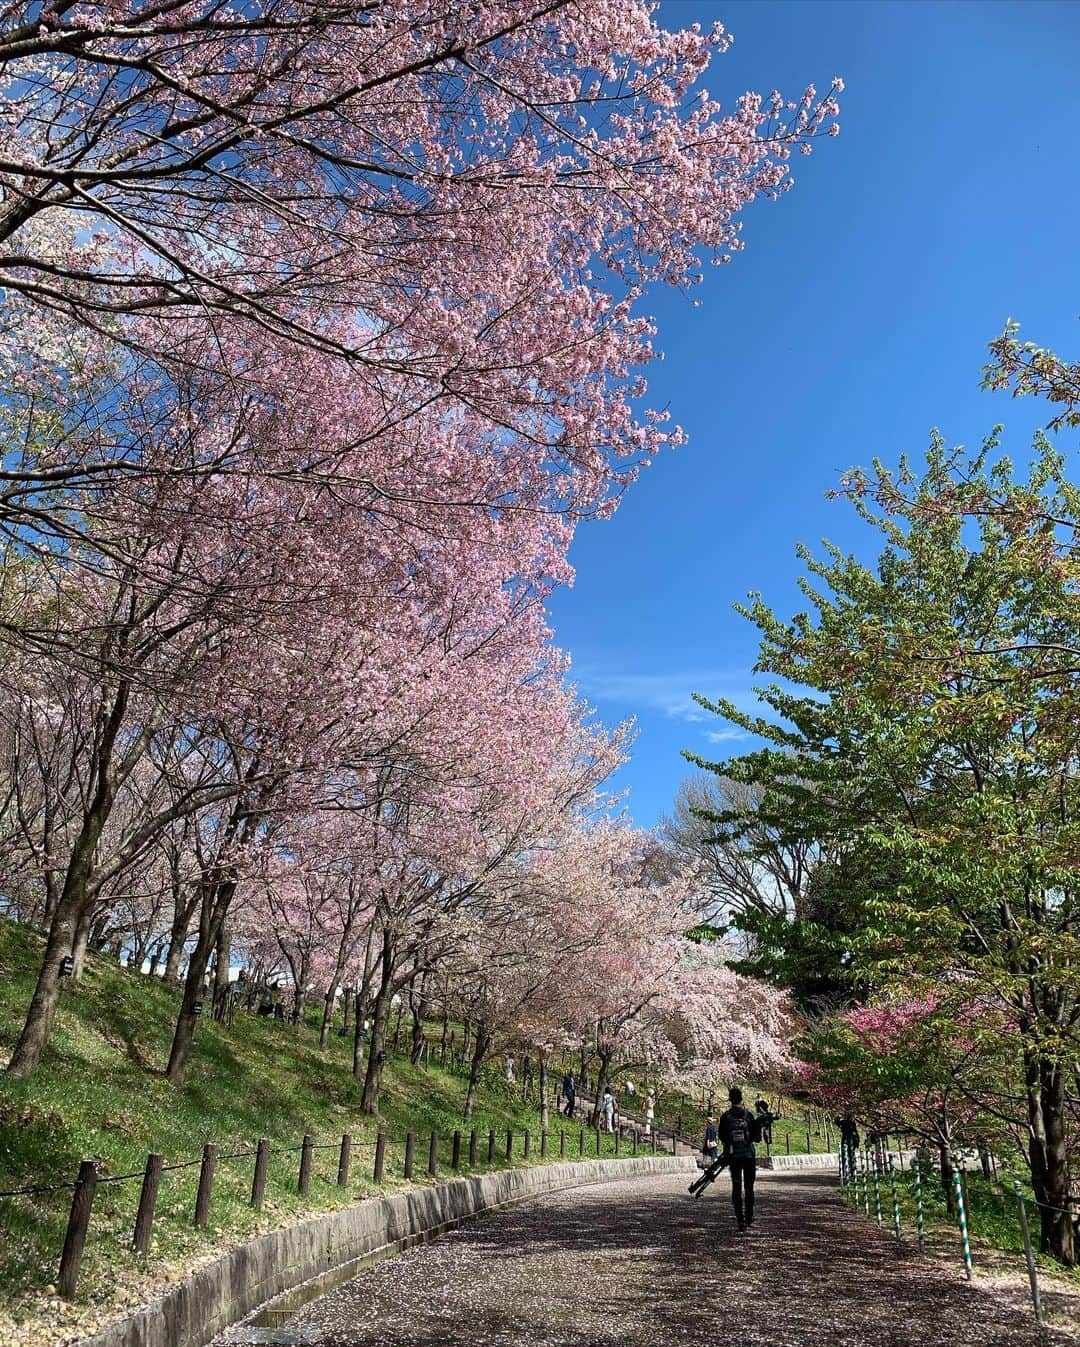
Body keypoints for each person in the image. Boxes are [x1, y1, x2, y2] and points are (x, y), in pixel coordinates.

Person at [719, 1087, 760, 1231]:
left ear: (730, 1100)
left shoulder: (725, 1117)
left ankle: (740, 1220)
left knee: (736, 1187)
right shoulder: (748, 1115)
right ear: (741, 1099)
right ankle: (749, 1217)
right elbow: (757, 1137)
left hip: (734, 1156)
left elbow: (722, 1137)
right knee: (749, 1187)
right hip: (749, 1155)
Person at [837, 1113, 860, 1179]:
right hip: (847, 1139)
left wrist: (857, 1141)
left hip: (850, 1140)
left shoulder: (851, 1123)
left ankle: (851, 1172)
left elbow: (855, 1132)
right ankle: (846, 1172)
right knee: (846, 1156)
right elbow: (837, 1121)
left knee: (850, 1156)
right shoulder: (844, 1122)